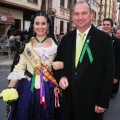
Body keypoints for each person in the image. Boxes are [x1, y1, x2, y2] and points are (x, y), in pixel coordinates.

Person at [53, 1, 114, 120]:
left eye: (84, 13)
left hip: (92, 102)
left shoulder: (104, 39)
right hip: (69, 100)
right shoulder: (66, 39)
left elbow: (109, 72)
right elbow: (57, 63)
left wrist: (102, 101)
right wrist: (61, 77)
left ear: (92, 15)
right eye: (76, 14)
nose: (80, 17)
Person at [2, 10, 63, 120]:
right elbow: (20, 67)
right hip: (28, 88)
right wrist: (9, 89)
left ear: (48, 24)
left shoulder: (56, 45)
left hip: (49, 89)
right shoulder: (27, 44)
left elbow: (62, 66)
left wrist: (62, 65)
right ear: (33, 25)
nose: (40, 27)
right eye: (37, 23)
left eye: (43, 23)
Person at [102, 18, 120, 99]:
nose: (105, 26)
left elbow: (118, 60)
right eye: (104, 24)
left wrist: (116, 76)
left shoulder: (117, 42)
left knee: (106, 96)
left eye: (108, 25)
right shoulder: (95, 39)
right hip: (97, 73)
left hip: (110, 73)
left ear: (112, 27)